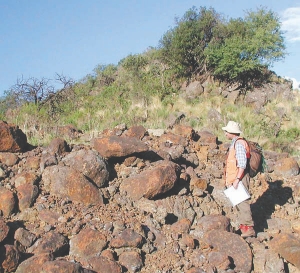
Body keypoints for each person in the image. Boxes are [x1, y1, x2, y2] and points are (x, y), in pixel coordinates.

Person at [222, 120, 255, 238]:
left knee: (242, 202)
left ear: (232, 132)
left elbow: (242, 164)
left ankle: (248, 228)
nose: (225, 133)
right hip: (236, 177)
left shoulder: (239, 144)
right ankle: (243, 228)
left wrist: (237, 179)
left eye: (226, 131)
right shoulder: (235, 143)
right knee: (238, 202)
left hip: (240, 177)